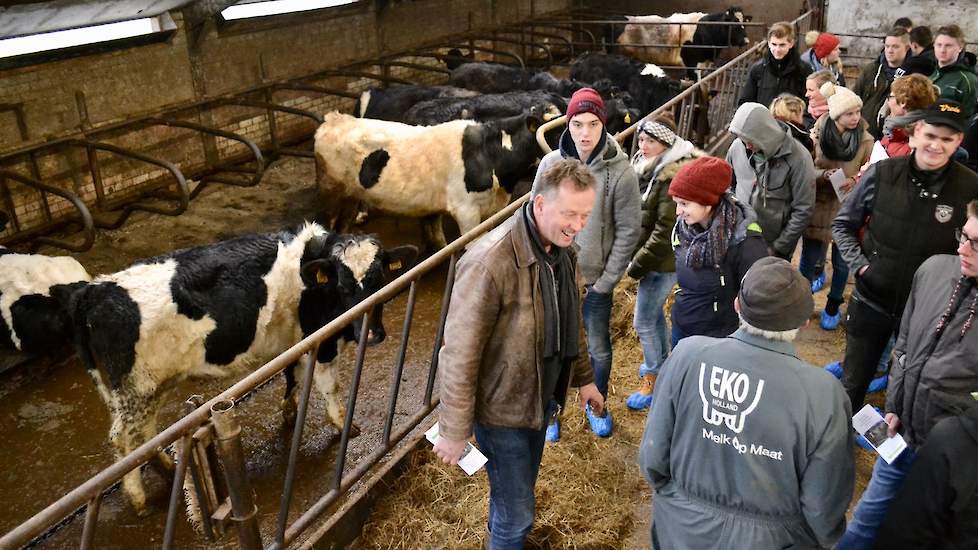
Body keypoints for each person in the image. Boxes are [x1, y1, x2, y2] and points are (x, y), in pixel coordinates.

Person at [433, 159, 605, 550]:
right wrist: (455, 429)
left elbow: (569, 319)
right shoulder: (490, 262)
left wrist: (585, 378)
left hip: (538, 399)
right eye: (569, 214)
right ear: (540, 204)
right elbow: (459, 352)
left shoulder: (562, 252)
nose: (578, 225)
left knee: (516, 493)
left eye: (585, 215)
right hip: (502, 408)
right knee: (518, 511)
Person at [640, 256, 854, 550]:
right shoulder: (825, 394)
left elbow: (652, 459)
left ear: (737, 305)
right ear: (804, 322)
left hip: (681, 530)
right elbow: (822, 508)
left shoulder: (686, 356)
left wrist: (675, 502)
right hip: (774, 541)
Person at [836, 200, 978, 550]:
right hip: (898, 435)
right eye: (964, 235)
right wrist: (895, 405)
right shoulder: (933, 271)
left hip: (949, 463)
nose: (961, 247)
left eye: (976, 243)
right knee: (862, 525)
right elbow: (903, 348)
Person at [831, 98, 978, 414]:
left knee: (910, 386)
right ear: (916, 133)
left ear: (958, 142)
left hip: (931, 314)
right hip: (872, 300)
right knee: (853, 382)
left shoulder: (970, 187)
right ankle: (837, 444)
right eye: (931, 135)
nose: (936, 146)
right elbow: (843, 224)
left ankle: (893, 449)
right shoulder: (883, 173)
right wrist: (861, 267)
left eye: (947, 139)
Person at [530, 87, 640, 438]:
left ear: (603, 126)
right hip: (551, 277)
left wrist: (606, 282)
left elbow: (628, 231)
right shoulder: (550, 165)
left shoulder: (620, 172)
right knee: (550, 346)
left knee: (597, 348)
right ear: (568, 123)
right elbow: (535, 212)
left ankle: (598, 402)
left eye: (593, 124)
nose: (585, 133)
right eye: (577, 124)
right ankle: (550, 411)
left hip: (594, 281)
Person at [623, 116, 706, 411]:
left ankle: (653, 376)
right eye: (642, 139)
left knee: (643, 319)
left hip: (664, 260)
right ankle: (660, 365)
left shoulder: (672, 174)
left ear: (667, 143)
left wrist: (636, 266)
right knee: (653, 315)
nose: (643, 146)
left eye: (651, 141)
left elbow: (664, 232)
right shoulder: (650, 166)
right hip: (657, 256)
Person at [667, 157, 767, 346]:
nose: (677, 212)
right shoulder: (683, 229)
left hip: (718, 336)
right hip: (683, 324)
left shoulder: (744, 240)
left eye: (684, 204)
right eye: (677, 203)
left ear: (707, 202)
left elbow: (755, 294)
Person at [803, 83, 873, 330]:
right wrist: (823, 174)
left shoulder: (865, 139)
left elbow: (870, 170)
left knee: (843, 262)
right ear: (836, 116)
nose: (855, 118)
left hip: (848, 205)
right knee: (808, 258)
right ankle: (802, 305)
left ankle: (833, 304)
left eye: (857, 112)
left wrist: (857, 180)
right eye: (849, 113)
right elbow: (805, 167)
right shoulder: (818, 134)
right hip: (820, 202)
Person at [872, 402, 978, 549]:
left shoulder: (954, 438)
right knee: (870, 512)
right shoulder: (953, 438)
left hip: (931, 441)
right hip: (904, 434)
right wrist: (894, 407)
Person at [727, 102, 816, 260]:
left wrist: (779, 248)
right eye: (742, 138)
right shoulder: (737, 147)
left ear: (764, 133)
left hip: (771, 246)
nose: (747, 145)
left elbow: (803, 209)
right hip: (737, 238)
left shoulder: (799, 158)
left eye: (750, 139)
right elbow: (726, 184)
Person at [852, 27, 912, 138]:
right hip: (863, 132)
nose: (890, 50)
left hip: (892, 136)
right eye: (887, 46)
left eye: (895, 46)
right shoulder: (871, 70)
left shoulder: (911, 76)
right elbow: (855, 97)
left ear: (907, 48)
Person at [738, 21, 812, 108]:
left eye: (782, 45)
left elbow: (810, 102)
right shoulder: (758, 69)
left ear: (791, 44)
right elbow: (746, 101)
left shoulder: (803, 69)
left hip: (791, 120)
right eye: (774, 44)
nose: (777, 49)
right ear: (768, 43)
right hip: (764, 119)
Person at [875, 73, 938, 159]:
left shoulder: (916, 144)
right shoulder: (893, 130)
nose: (888, 102)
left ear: (903, 102)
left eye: (890, 97)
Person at [930, 25, 978, 118]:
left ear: (960, 48)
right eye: (939, 45)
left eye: (948, 46)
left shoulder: (968, 80)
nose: (942, 50)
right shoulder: (931, 73)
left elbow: (969, 118)